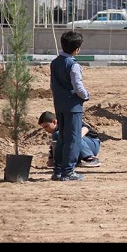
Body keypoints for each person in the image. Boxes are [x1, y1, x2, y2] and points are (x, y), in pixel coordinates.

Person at [50, 30, 90, 181]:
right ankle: (68, 171)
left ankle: (58, 170)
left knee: (62, 138)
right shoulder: (73, 65)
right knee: (73, 139)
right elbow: (78, 87)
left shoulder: (55, 62)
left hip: (59, 105)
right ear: (77, 49)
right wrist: (86, 95)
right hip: (73, 107)